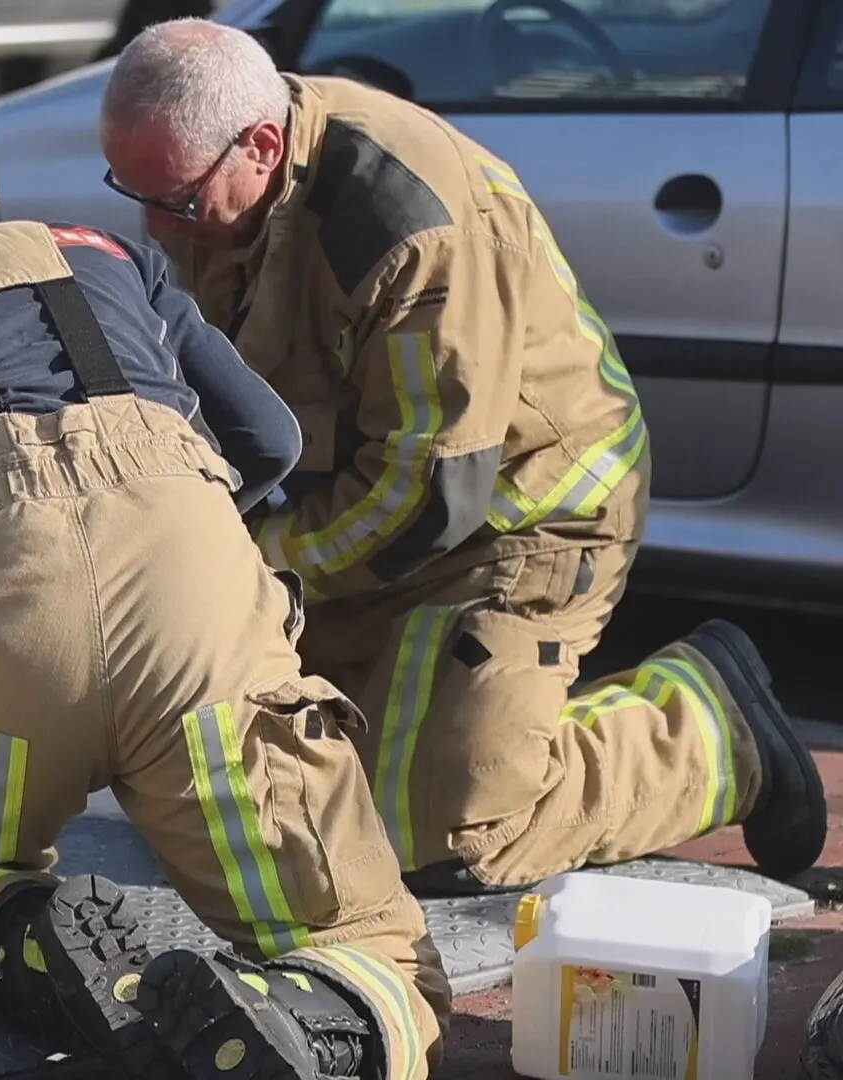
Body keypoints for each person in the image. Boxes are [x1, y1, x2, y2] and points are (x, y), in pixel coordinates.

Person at [0, 135, 451, 1080]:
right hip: (198, 602)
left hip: (4, 637)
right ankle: (312, 1018)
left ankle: (32, 944)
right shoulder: (102, 248)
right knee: (357, 932)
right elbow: (268, 436)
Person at [95, 19, 827, 899]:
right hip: (370, 522)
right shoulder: (227, 186)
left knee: (446, 838)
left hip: (518, 525)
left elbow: (429, 496)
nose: (155, 226)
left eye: (174, 201)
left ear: (260, 144)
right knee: (275, 797)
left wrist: (257, 573)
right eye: (133, 193)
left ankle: (708, 726)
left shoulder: (406, 230)